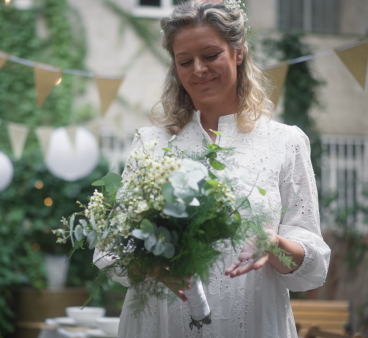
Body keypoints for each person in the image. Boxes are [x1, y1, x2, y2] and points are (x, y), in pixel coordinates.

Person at [94, 1, 331, 337]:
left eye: (210, 55)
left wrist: (272, 244)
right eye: (185, 61)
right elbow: (111, 247)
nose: (198, 69)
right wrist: (156, 268)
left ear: (237, 52)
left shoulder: (285, 142)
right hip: (161, 324)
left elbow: (313, 264)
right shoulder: (151, 143)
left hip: (253, 322)